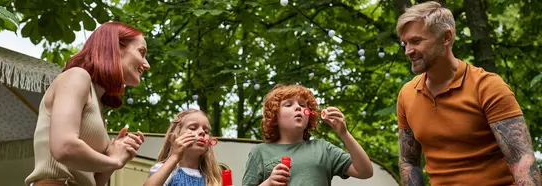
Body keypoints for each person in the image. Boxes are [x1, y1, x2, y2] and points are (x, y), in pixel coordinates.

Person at [395, 1, 541, 185]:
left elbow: (522, 160)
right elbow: (409, 161)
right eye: (405, 43)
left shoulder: (487, 86)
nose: (408, 51)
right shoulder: (406, 95)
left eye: (416, 41)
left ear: (446, 37)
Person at [25, 22, 150, 186]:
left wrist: (113, 158)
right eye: (141, 52)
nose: (146, 65)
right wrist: (115, 162)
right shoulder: (77, 76)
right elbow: (65, 148)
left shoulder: (98, 104)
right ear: (115, 47)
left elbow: (95, 182)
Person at [241, 84, 373, 186]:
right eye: (288, 104)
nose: (298, 107)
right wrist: (268, 183)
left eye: (302, 105)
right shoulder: (260, 152)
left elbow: (365, 172)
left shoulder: (323, 149)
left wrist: (344, 133)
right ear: (274, 116)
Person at [143, 109, 222, 186]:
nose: (202, 132)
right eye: (193, 128)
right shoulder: (164, 170)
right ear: (173, 138)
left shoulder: (211, 178)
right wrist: (175, 156)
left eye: (206, 131)